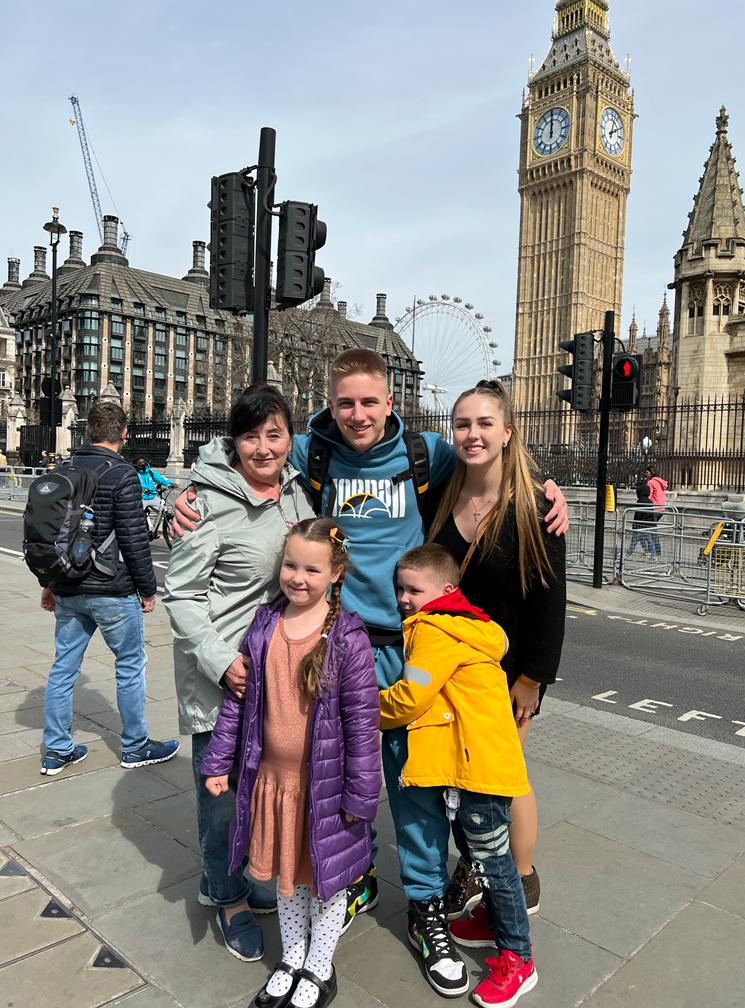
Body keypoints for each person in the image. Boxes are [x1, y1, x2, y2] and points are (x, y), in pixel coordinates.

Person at [173, 349, 569, 997]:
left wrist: (546, 488)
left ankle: (426, 908)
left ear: (391, 403)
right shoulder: (314, 450)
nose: (357, 414)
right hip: (334, 652)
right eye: (345, 402)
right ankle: (349, 882)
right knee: (329, 784)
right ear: (330, 404)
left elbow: (489, 453)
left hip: (408, 650)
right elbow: (244, 446)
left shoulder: (425, 454)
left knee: (414, 788)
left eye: (370, 402)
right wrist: (189, 492)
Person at [202, 518, 381, 1008]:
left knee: (325, 882)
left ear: (336, 574)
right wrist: (219, 761)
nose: (297, 578)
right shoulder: (264, 624)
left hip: (324, 787)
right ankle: (292, 956)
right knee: (288, 876)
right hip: (274, 783)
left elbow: (364, 724)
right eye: (290, 565)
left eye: (312, 569)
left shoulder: (348, 637)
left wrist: (360, 796)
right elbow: (238, 703)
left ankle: (320, 968)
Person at [164, 385, 314, 962]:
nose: (263, 447)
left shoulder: (297, 494)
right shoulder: (205, 500)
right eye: (251, 435)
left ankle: (240, 874)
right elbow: (180, 595)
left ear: (289, 438)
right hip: (223, 673)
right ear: (235, 441)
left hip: (278, 673)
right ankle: (225, 895)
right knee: (221, 793)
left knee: (260, 784)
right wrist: (221, 661)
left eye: (274, 433)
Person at [426, 379, 566, 931]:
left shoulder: (534, 506)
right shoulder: (439, 493)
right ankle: (479, 870)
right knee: (467, 779)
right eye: (463, 424)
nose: (473, 433)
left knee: (500, 779)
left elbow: (550, 603)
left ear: (508, 432)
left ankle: (521, 883)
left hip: (509, 674)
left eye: (485, 423)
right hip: (453, 667)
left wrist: (532, 678)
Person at [380, 544, 537, 1008]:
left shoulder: (435, 630)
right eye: (400, 589)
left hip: (479, 771)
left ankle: (518, 959)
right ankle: (491, 921)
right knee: (479, 853)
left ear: (447, 591)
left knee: (493, 863)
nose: (405, 598)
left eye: (415, 590)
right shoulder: (469, 625)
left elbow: (412, 697)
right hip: (479, 762)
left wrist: (366, 705)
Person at [38, 401, 179, 775]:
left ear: (86, 432)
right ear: (124, 433)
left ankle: (56, 749)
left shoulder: (64, 469)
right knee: (130, 665)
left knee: (63, 668)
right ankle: (135, 746)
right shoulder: (122, 475)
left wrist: (50, 583)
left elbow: (53, 533)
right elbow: (134, 541)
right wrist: (149, 590)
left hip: (68, 585)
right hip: (112, 590)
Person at [627, 471, 656, 558]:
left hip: (639, 524)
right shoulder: (650, 501)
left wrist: (634, 523)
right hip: (647, 524)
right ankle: (653, 554)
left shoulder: (640, 501)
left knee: (634, 540)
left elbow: (638, 514)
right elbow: (652, 513)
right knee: (648, 539)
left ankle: (629, 553)